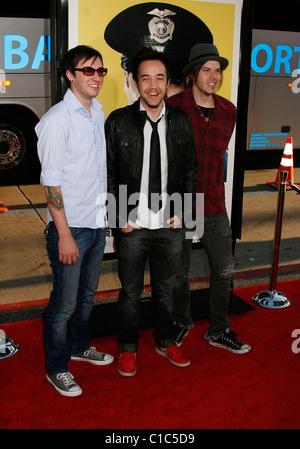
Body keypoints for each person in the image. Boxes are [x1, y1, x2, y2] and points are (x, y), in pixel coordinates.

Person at [105, 48, 197, 376]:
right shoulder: (118, 121)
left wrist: (185, 212)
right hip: (133, 223)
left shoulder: (182, 121)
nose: (153, 85)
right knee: (130, 290)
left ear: (169, 83)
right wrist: (119, 218)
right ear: (135, 82)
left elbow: (189, 170)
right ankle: (128, 346)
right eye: (145, 78)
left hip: (170, 222)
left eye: (159, 78)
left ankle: (166, 339)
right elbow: (110, 173)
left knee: (166, 289)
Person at [36, 45, 114, 397]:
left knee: (86, 298)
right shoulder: (56, 122)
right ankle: (56, 366)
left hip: (96, 226)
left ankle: (79, 346)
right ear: (70, 74)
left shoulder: (97, 112)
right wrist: (64, 234)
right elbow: (51, 184)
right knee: (64, 303)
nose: (96, 77)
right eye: (88, 71)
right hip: (71, 230)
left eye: (101, 71)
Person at [167, 43, 251, 354]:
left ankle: (219, 329)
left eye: (218, 70)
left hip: (214, 203)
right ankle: (181, 321)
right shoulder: (172, 107)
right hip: (180, 204)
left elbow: (219, 156)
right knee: (179, 272)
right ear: (192, 74)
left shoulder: (229, 111)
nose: (214, 76)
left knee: (225, 268)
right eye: (207, 70)